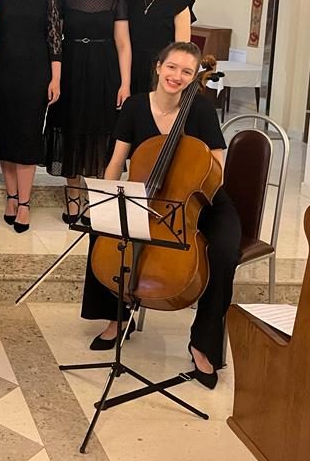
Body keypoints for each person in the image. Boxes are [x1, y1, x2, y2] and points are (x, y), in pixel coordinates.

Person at [81, 41, 241, 388]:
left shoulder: (200, 109)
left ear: (194, 77)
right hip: (149, 197)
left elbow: (217, 165)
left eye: (186, 71)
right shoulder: (136, 106)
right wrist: (105, 201)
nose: (177, 76)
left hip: (201, 201)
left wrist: (193, 179)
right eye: (172, 67)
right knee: (105, 230)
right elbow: (116, 162)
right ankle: (116, 318)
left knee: (224, 253)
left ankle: (202, 344)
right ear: (158, 66)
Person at [45, 0, 131, 224]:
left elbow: (123, 44)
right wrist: (55, 78)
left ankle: (95, 203)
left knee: (100, 132)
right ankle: (72, 199)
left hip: (104, 70)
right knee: (71, 129)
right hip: (70, 68)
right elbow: (55, 41)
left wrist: (125, 83)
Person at [0, 0, 62, 233]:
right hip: (3, 72)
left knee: (28, 136)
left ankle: (25, 203)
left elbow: (55, 39)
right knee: (4, 135)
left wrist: (56, 78)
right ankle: (11, 196)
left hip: (36, 74)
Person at [127, 0, 196, 94]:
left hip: (161, 74)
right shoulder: (130, 2)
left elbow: (181, 50)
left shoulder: (179, 2)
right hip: (131, 71)